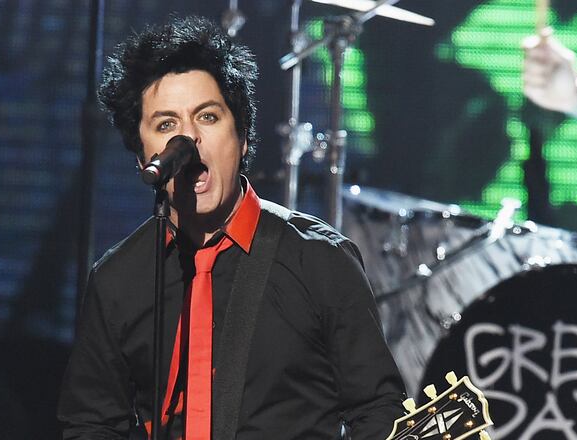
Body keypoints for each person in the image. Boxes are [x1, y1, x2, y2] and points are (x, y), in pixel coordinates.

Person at [57, 15, 405, 440]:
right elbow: (90, 424)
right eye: (166, 125)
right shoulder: (117, 281)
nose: (188, 140)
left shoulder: (319, 260)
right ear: (142, 156)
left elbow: (378, 411)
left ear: (241, 137)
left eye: (207, 116)